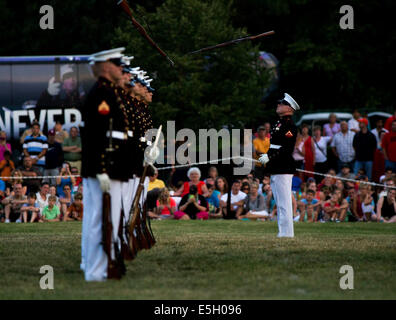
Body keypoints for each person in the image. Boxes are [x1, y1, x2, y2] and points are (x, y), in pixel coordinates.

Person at [80, 48, 142, 281]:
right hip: (108, 168)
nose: (120, 69)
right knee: (101, 218)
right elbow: (98, 136)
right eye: (117, 64)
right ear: (105, 66)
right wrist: (102, 169)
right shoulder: (102, 94)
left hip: (115, 167)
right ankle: (96, 271)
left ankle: (104, 266)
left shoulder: (109, 93)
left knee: (109, 218)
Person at [259, 93, 300, 237]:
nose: (278, 105)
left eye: (281, 103)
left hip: (283, 166)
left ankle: (287, 233)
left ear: (289, 108)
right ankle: (282, 231)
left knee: (284, 202)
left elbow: (286, 148)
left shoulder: (289, 126)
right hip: (276, 166)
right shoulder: (279, 123)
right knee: (279, 201)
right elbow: (275, 145)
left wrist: (269, 156)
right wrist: (268, 158)